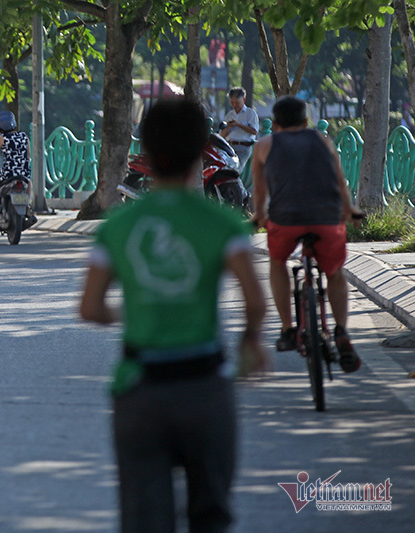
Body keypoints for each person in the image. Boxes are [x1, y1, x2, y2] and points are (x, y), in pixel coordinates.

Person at [80, 99, 269, 533]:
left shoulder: (117, 226)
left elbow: (89, 307)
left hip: (139, 390)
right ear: (201, 149)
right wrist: (251, 341)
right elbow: (255, 302)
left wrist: (137, 308)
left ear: (146, 148)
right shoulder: (223, 224)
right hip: (204, 388)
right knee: (211, 513)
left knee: (144, 519)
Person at [251, 96, 364, 372]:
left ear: (274, 124)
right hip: (326, 218)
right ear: (305, 121)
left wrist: (258, 218)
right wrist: (350, 211)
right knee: (335, 272)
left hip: (285, 220)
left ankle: (289, 329)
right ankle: (341, 331)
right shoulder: (323, 140)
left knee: (277, 263)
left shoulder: (264, 145)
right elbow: (339, 180)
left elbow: (260, 192)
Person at [0, 111, 30, 219]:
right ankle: (28, 205)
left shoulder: (3, 138)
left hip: (8, 174)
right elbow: (29, 156)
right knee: (28, 181)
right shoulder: (24, 136)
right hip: (23, 172)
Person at [221, 87, 259, 173]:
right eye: (232, 102)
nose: (234, 105)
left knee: (235, 171)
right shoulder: (229, 114)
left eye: (237, 102)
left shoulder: (250, 113)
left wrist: (238, 124)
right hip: (229, 146)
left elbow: (254, 131)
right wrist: (228, 126)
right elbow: (222, 135)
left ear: (244, 100)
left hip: (243, 147)